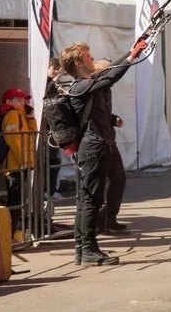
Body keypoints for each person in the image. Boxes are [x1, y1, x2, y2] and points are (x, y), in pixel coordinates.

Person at [57, 38, 147, 266]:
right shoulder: (80, 86)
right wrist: (132, 56)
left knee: (89, 200)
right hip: (93, 148)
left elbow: (108, 73)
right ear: (78, 63)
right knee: (90, 200)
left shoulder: (86, 84)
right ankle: (87, 249)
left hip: (96, 147)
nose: (92, 58)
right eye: (88, 56)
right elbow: (110, 75)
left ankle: (83, 249)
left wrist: (129, 53)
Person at [91, 58, 129, 237]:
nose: (113, 74)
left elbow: (104, 113)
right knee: (96, 185)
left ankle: (110, 217)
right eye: (109, 70)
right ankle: (98, 222)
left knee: (119, 177)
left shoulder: (107, 90)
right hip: (97, 142)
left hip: (109, 141)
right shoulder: (94, 88)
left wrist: (114, 119)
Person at [0, 88, 36, 239]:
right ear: (9, 102)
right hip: (16, 165)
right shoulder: (13, 114)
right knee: (15, 201)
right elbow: (13, 140)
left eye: (24, 100)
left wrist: (31, 118)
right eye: (19, 100)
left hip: (19, 164)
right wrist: (24, 161)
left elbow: (31, 136)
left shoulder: (20, 115)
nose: (23, 103)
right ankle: (9, 235)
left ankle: (12, 234)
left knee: (17, 200)